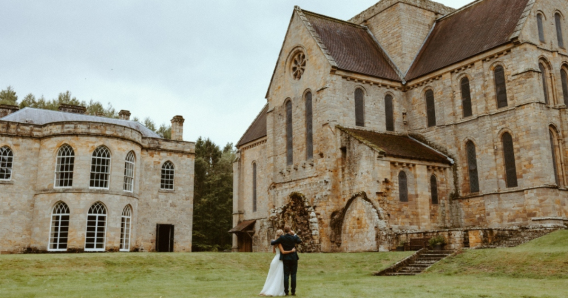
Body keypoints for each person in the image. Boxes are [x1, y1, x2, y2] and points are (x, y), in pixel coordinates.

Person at [259, 230, 297, 297]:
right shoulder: (280, 242)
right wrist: (291, 251)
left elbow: (273, 252)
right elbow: (283, 252)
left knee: (273, 276)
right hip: (280, 260)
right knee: (279, 276)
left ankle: (271, 289)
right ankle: (277, 290)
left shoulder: (274, 242)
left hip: (275, 259)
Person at [270, 226, 302, 296]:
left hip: (286, 258)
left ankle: (286, 291)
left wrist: (272, 240)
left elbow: (273, 243)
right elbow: (299, 241)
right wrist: (295, 234)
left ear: (284, 231)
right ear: (290, 230)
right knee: (293, 275)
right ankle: (293, 291)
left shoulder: (282, 238)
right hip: (293, 258)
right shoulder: (293, 237)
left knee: (286, 275)